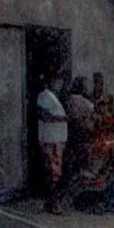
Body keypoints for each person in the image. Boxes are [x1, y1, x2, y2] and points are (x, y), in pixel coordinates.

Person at [38, 77, 68, 214]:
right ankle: (54, 204)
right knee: (53, 173)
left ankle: (50, 203)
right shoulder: (44, 96)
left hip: (58, 139)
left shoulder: (55, 98)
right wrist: (63, 119)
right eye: (57, 80)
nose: (59, 83)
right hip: (50, 140)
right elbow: (43, 115)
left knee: (55, 173)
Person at [64, 77, 95, 182]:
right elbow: (91, 114)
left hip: (71, 129)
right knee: (83, 150)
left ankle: (74, 173)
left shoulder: (69, 100)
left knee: (73, 152)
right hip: (83, 130)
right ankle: (82, 171)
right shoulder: (86, 103)